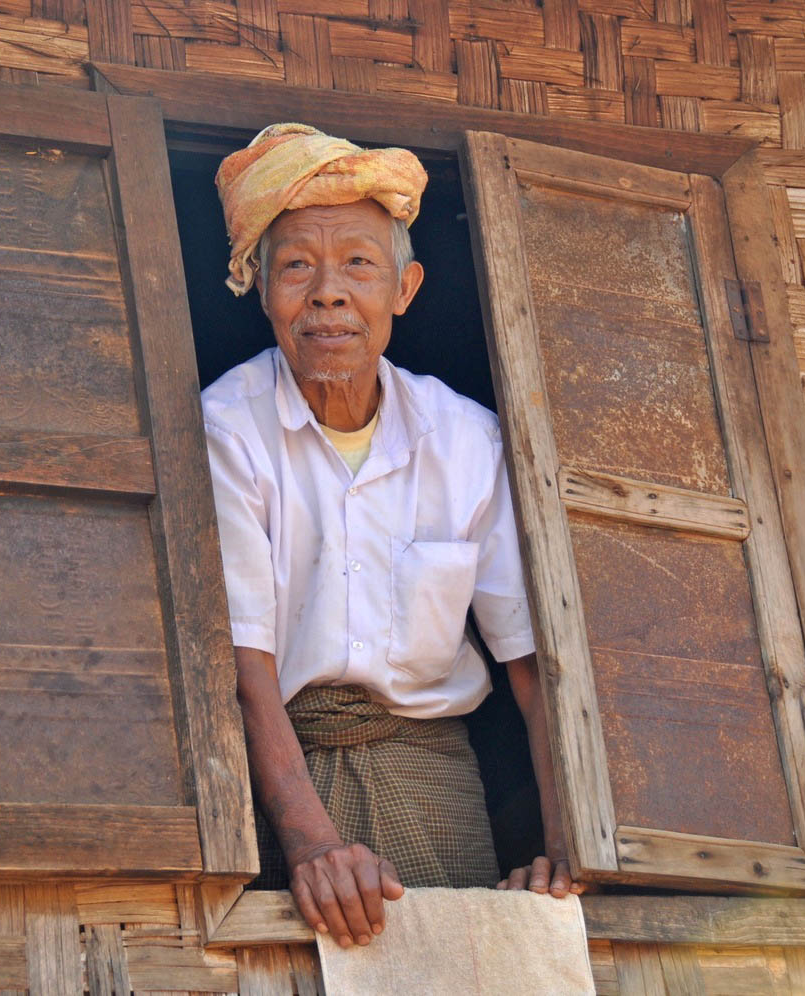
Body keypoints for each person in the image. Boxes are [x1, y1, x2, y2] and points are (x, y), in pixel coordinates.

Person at [201, 123, 583, 950]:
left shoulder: (465, 440)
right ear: (261, 289)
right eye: (297, 265)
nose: (329, 293)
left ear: (404, 288)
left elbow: (531, 666)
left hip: (431, 778)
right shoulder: (227, 429)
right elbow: (245, 659)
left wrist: (567, 847)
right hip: (278, 776)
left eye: (359, 265)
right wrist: (309, 843)